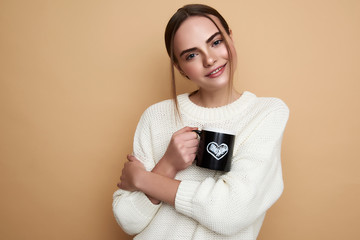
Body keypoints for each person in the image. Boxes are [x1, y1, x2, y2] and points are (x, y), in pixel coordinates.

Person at [113, 4, 289, 240]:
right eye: (192, 55)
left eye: (216, 42)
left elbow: (232, 211)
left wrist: (143, 179)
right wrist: (168, 164)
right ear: (180, 67)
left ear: (230, 38)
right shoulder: (156, 116)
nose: (210, 59)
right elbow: (128, 220)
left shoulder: (266, 113)